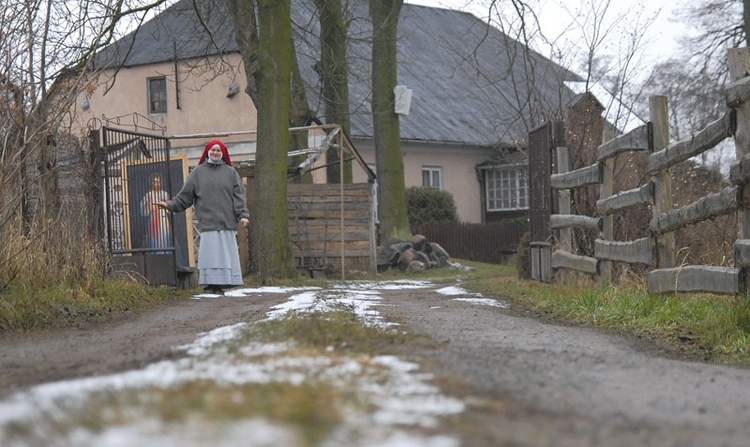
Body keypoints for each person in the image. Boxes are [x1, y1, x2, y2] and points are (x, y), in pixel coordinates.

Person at [157, 139, 249, 295]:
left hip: (227, 222)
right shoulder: (197, 173)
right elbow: (184, 196)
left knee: (224, 254)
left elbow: (238, 197)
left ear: (223, 154)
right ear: (207, 152)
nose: (215, 153)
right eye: (212, 150)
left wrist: (243, 215)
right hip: (208, 223)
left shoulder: (231, 173)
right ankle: (209, 285)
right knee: (211, 255)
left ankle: (224, 283)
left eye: (218, 151)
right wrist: (170, 205)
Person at [140, 173, 171, 250]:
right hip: (153, 220)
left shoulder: (165, 194)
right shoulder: (148, 195)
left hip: (163, 219)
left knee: (165, 238)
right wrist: (148, 205)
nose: (156, 184)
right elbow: (143, 212)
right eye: (154, 182)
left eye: (158, 182)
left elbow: (170, 208)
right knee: (154, 240)